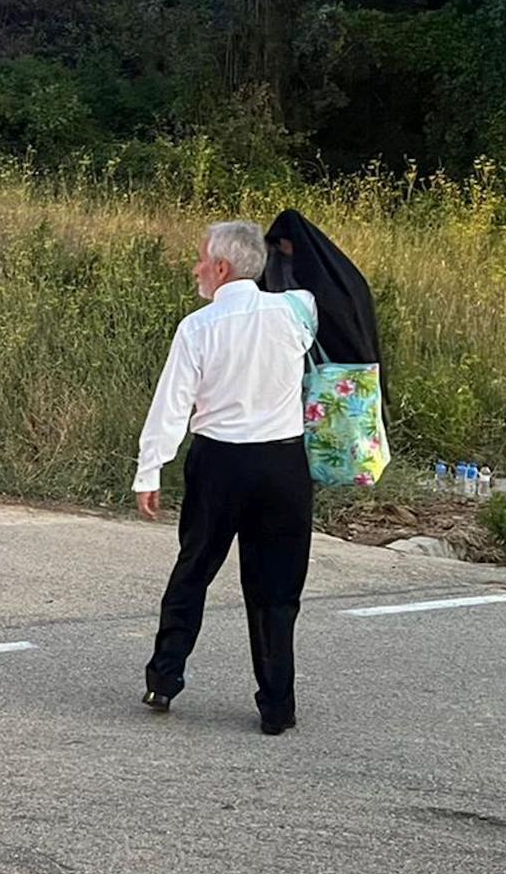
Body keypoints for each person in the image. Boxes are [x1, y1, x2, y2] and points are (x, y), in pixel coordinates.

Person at [134, 220, 317, 735]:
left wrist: (151, 469)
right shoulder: (297, 311)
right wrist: (281, 237)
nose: (195, 268)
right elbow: (322, 263)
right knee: (276, 590)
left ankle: (164, 679)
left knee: (193, 570)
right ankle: (277, 706)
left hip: (219, 463)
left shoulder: (198, 326)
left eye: (200, 259)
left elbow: (171, 404)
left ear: (220, 268)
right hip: (283, 466)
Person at [260, 209, 386, 416]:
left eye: (283, 243)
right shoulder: (334, 271)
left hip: (342, 364)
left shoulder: (324, 279)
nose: (281, 250)